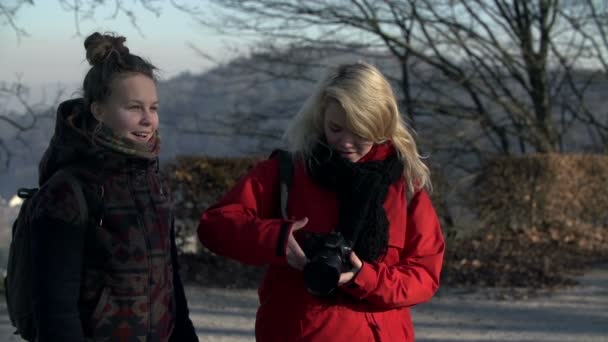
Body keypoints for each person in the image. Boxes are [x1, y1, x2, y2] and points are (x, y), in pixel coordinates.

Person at [197, 62, 445, 341]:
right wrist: (277, 239)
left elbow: (424, 273)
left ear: (381, 125)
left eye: (360, 131)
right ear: (321, 118)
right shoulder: (288, 172)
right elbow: (214, 226)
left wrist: (363, 276)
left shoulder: (406, 186)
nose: (346, 142)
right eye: (336, 128)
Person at [30, 32, 198, 341]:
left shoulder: (154, 184)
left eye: (154, 107)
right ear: (99, 111)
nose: (148, 119)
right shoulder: (70, 189)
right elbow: (54, 304)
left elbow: (170, 283)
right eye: (134, 107)